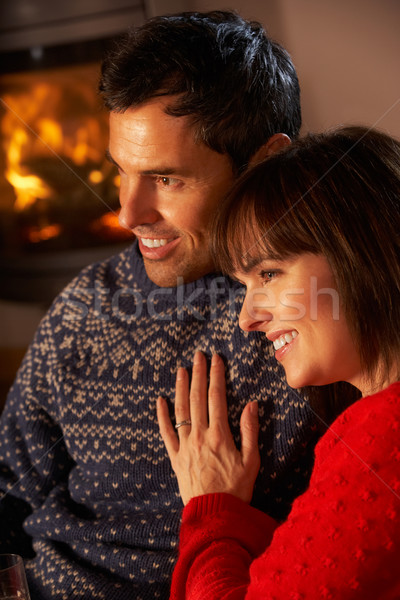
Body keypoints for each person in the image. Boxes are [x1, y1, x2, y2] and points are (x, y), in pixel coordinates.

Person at [0, 10, 320, 600]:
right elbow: (10, 490)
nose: (127, 214)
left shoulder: (320, 324)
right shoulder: (85, 307)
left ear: (265, 161)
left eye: (167, 180)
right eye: (121, 171)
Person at [157, 125, 400, 599]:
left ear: (361, 248)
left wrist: (213, 510)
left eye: (269, 272)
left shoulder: (383, 434)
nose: (247, 318)